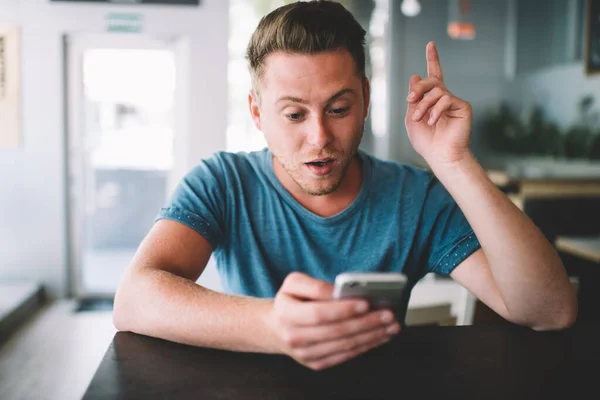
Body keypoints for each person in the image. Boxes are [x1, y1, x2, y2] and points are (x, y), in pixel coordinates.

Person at [113, 0, 577, 371]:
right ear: (257, 113)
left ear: (367, 100)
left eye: (338, 109)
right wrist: (273, 326)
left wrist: (453, 161)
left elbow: (549, 310)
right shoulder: (222, 182)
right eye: (294, 114)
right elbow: (134, 299)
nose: (319, 138)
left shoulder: (415, 197)